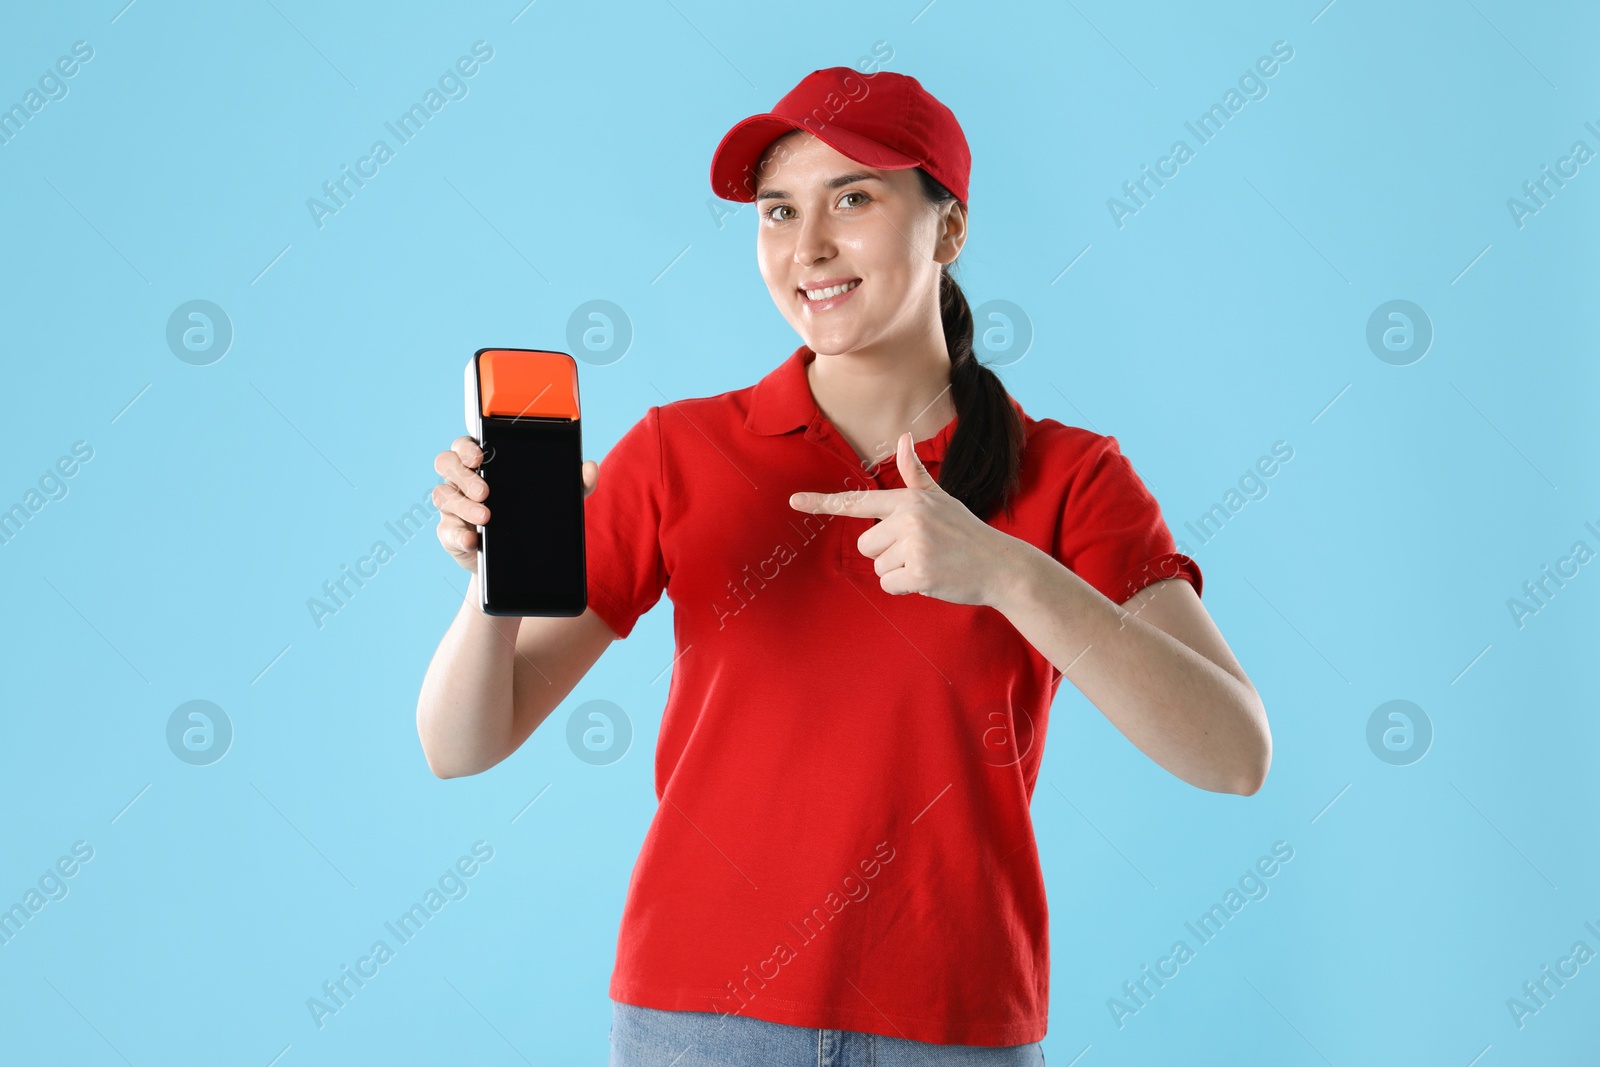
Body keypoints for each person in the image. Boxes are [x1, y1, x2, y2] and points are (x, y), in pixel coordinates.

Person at [418, 66, 1271, 1067]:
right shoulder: (678, 452)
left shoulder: (1070, 475)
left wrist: (1007, 573)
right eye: (778, 211)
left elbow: (1233, 754)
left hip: (953, 1025)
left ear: (948, 229)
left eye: (852, 198)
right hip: (698, 1019)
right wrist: (494, 579)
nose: (807, 247)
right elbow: (460, 744)